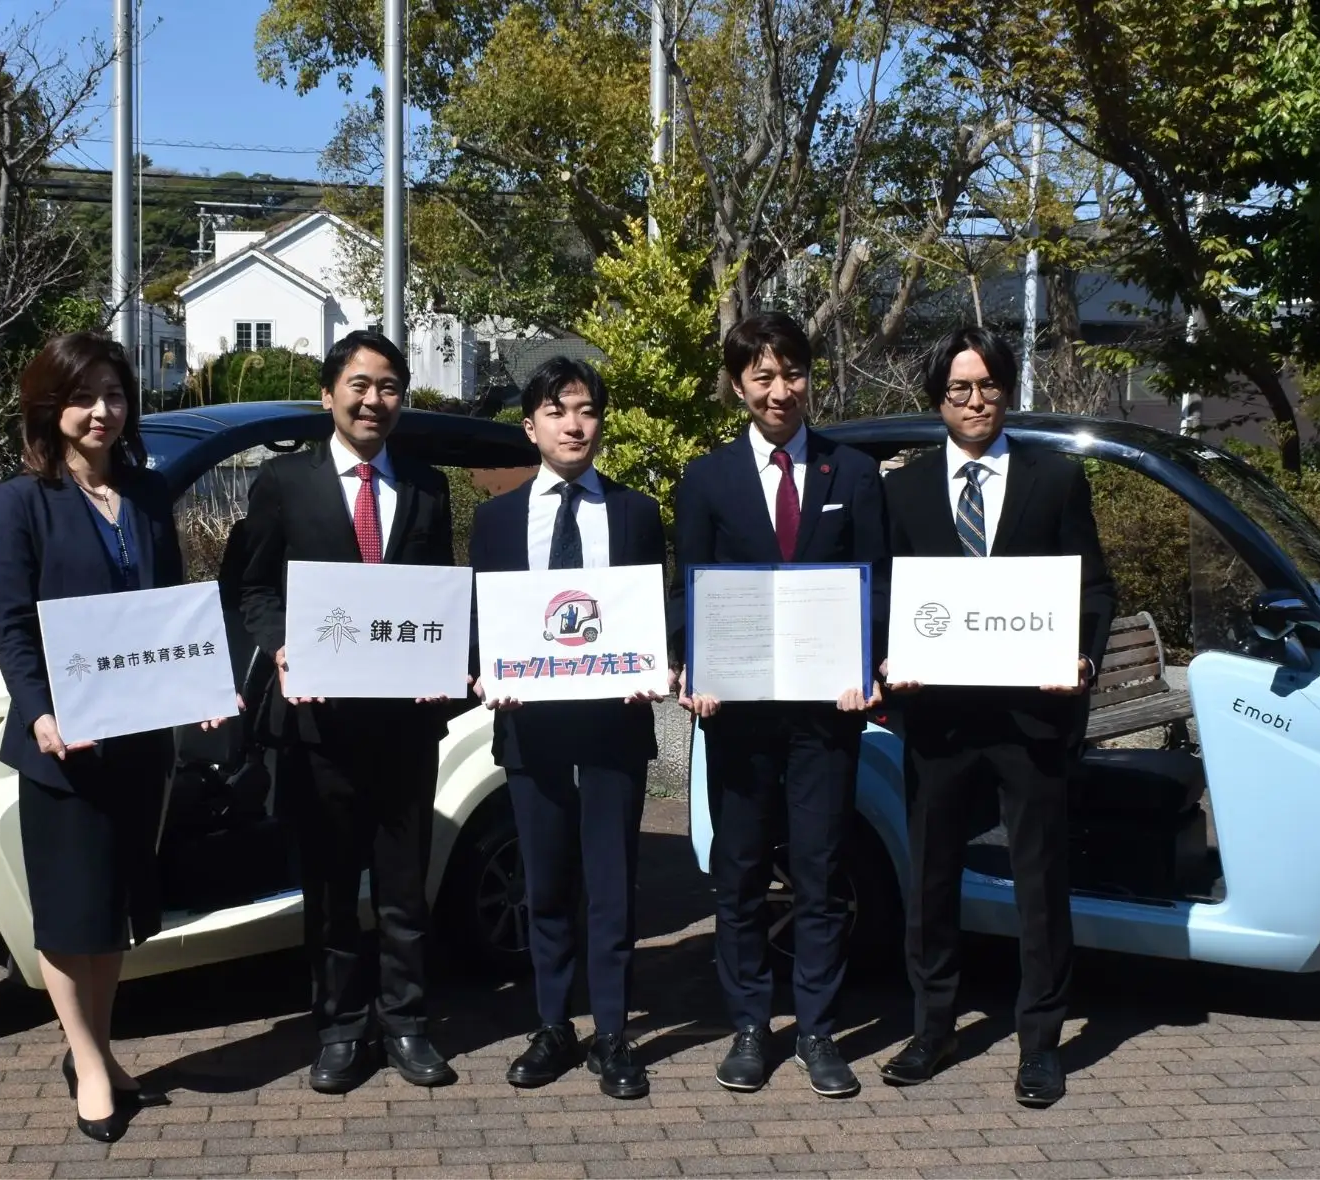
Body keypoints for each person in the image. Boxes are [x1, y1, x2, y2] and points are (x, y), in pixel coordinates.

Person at [876, 325, 1116, 1107]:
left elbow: (1093, 588)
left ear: (1007, 391)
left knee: (1040, 881)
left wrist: (1081, 658)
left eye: (987, 387)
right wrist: (886, 658)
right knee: (930, 877)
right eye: (959, 389)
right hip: (938, 719)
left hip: (1031, 716)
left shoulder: (1056, 479)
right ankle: (933, 1028)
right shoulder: (903, 490)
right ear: (938, 400)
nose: (975, 402)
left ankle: (1040, 1043)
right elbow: (882, 594)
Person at [232, 329, 460, 1094]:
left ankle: (408, 1024)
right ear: (328, 394)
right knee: (329, 889)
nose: (374, 401)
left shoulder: (427, 487)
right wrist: (279, 646)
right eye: (359, 385)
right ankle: (338, 1028)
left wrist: (443, 661)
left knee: (403, 886)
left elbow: (436, 596)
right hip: (318, 723)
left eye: (389, 386)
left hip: (404, 725)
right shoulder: (283, 483)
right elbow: (253, 587)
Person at [674, 312, 889, 1099]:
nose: (779, 390)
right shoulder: (706, 479)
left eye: (791, 372)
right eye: (762, 375)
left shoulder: (852, 474)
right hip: (736, 716)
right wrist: (692, 666)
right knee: (737, 876)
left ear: (808, 378)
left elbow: (878, 585)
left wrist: (869, 665)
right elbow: (688, 591)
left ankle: (819, 1032)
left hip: (827, 715)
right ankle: (748, 1028)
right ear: (738, 385)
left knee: (820, 874)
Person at [0, 332, 183, 1143]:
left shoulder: (148, 493)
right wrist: (40, 711)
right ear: (50, 406)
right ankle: (89, 1062)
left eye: (113, 394)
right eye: (82, 396)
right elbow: (11, 626)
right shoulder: (23, 501)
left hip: (137, 741)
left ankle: (96, 1049)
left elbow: (171, 612)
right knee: (71, 916)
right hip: (63, 747)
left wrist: (197, 687)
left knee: (113, 912)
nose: (101, 411)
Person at [468, 357, 673, 1100]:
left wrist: (658, 663)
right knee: (545, 879)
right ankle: (554, 1024)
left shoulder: (635, 513)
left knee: (612, 881)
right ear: (531, 427)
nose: (573, 425)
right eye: (557, 412)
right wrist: (481, 670)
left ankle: (613, 1032)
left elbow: (652, 613)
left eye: (585, 410)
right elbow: (480, 620)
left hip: (614, 722)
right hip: (532, 726)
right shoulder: (495, 521)